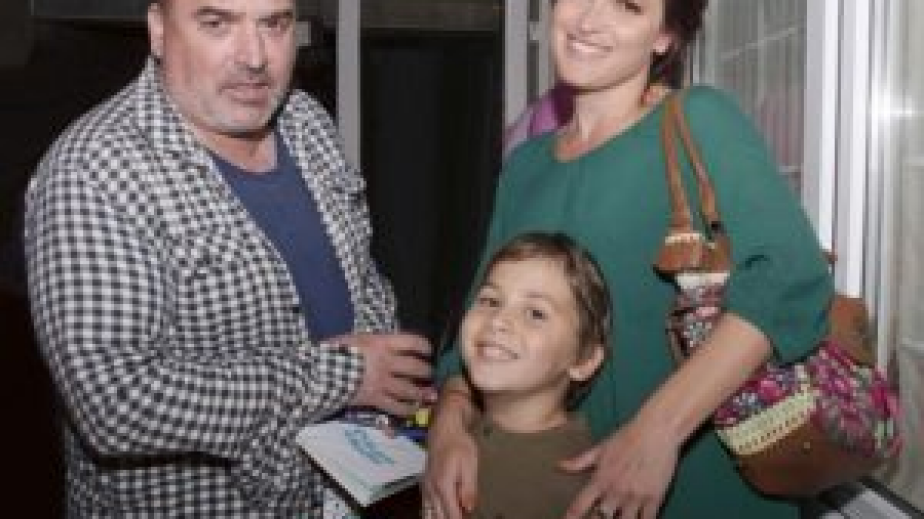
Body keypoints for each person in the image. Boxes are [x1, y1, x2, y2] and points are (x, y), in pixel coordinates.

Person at [423, 0, 833, 518]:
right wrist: (449, 422)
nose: (589, 19)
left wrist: (657, 431)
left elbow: (791, 277)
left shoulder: (699, 119)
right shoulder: (526, 166)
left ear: (665, 36)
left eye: (629, 5)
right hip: (561, 491)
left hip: (697, 488)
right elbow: (479, 319)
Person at [23, 0, 433, 516]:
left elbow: (360, 275)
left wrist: (393, 379)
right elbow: (117, 403)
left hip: (341, 494)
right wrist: (348, 376)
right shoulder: (94, 172)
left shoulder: (305, 121)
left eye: (274, 24)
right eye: (217, 23)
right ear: (158, 29)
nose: (255, 57)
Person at [430, 231, 610, 519]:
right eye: (490, 301)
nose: (498, 320)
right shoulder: (454, 433)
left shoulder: (576, 490)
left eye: (535, 313)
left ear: (584, 359)